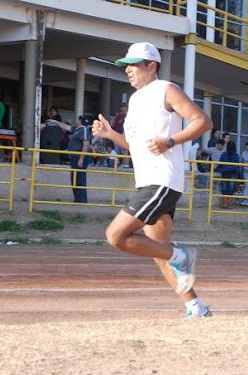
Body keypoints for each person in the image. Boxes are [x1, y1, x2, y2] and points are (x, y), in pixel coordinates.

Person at [91, 41, 214, 318]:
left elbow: (202, 121)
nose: (128, 70)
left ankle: (181, 256)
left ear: (151, 66)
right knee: (159, 251)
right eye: (125, 66)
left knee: (115, 236)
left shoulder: (166, 89)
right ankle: (196, 307)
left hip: (162, 181)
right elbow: (136, 147)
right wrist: (111, 135)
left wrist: (170, 141)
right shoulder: (135, 100)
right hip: (148, 180)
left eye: (133, 65)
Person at [52, 115, 92, 203]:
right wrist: (55, 122)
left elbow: (86, 144)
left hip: (79, 155)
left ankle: (81, 200)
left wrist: (81, 158)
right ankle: (77, 199)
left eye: (78, 119)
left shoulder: (84, 129)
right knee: (74, 177)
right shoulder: (77, 129)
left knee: (80, 177)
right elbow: (66, 127)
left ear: (80, 121)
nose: (76, 120)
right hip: (74, 156)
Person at [216, 140, 240, 208]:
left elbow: (220, 164)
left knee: (224, 189)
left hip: (224, 173)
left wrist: (216, 169)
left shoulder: (224, 154)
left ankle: (225, 204)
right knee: (231, 189)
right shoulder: (236, 155)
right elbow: (237, 165)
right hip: (233, 173)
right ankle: (229, 204)